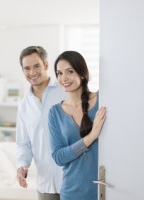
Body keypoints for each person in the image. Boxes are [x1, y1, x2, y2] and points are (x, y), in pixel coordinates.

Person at [48, 51, 106, 200]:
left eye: (70, 71)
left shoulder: (103, 101)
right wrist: (91, 137)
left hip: (104, 190)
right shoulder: (55, 112)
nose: (63, 78)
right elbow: (58, 157)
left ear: (82, 74)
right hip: (72, 192)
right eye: (59, 73)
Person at [16, 46, 67, 200]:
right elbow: (23, 142)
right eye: (27, 68)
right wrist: (22, 166)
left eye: (37, 66)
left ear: (46, 65)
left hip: (71, 179)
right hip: (45, 184)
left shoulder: (65, 91)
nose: (32, 72)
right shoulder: (24, 105)